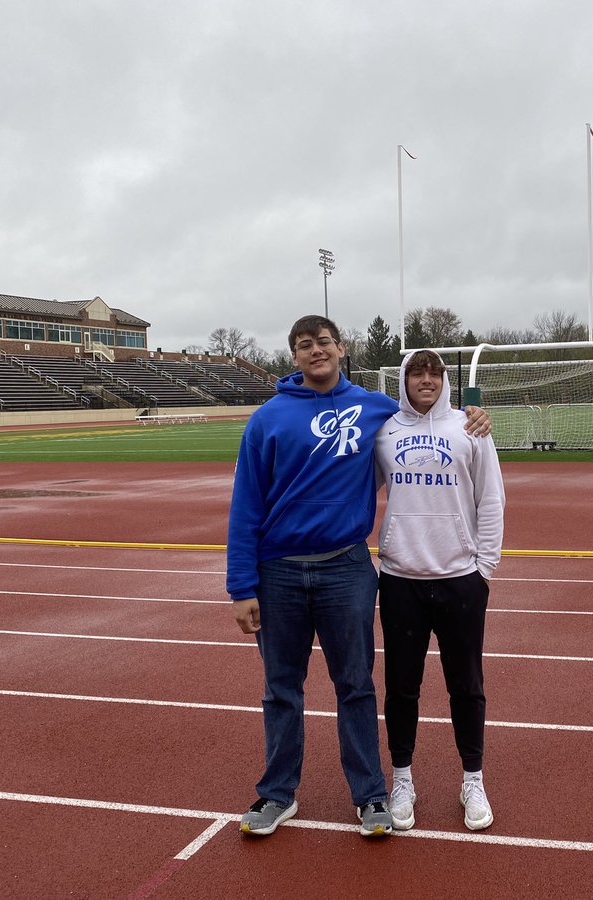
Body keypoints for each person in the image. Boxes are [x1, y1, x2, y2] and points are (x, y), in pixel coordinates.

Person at [227, 315, 490, 839]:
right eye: (305, 345)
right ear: (295, 356)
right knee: (281, 689)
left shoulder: (375, 408)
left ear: (341, 348)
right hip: (277, 572)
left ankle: (371, 796)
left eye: (324, 341)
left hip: (346, 567)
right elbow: (245, 504)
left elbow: (426, 412)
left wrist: (473, 416)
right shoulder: (267, 419)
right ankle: (278, 793)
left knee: (355, 686)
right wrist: (241, 586)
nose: (316, 350)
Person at [374, 349, 505, 832]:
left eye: (434, 373)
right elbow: (358, 491)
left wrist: (483, 569)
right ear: (404, 379)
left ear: (444, 380)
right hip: (402, 579)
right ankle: (402, 778)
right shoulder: (384, 431)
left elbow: (491, 498)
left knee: (466, 686)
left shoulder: (470, 428)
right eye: (416, 372)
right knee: (401, 689)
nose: (426, 380)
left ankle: (473, 778)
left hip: (460, 580)